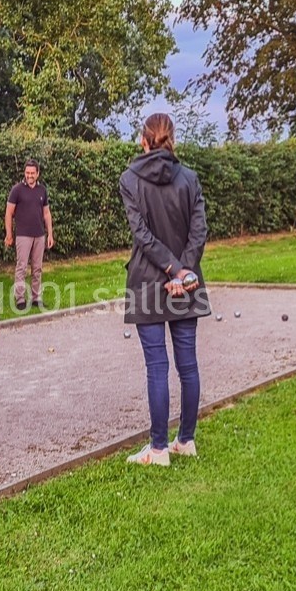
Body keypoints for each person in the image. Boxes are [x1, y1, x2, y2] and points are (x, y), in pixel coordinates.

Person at [119, 113, 210, 466]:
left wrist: (173, 269)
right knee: (187, 365)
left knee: (158, 366)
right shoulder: (190, 178)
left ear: (144, 140)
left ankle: (159, 449)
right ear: (171, 139)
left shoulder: (129, 178)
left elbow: (140, 234)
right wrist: (183, 271)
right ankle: (185, 441)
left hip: (148, 279)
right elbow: (198, 233)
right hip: (185, 282)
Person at [4, 159, 54, 310]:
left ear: (38, 174)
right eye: (27, 173)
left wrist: (50, 234)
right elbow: (8, 213)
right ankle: (20, 299)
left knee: (37, 268)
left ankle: (36, 298)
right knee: (22, 267)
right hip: (23, 235)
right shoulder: (17, 190)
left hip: (39, 234)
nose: (29, 175)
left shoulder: (42, 190)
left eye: (32, 173)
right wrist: (9, 234)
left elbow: (46, 213)